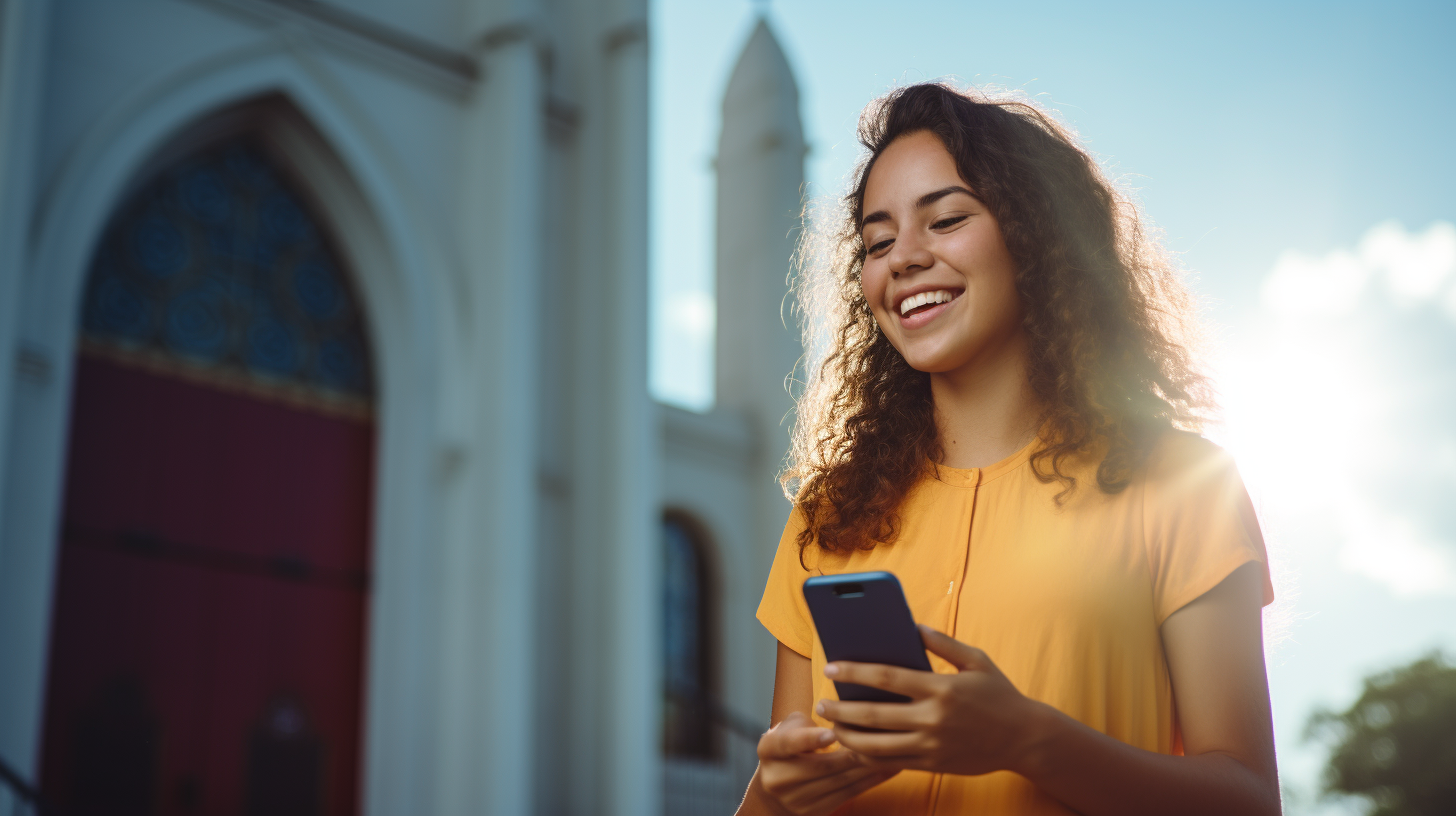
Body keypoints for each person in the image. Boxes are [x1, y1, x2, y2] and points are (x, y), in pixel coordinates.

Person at [739, 83, 1280, 816]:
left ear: (1039, 235)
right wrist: (773, 793)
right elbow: (786, 781)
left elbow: (1248, 801)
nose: (902, 259)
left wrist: (1028, 740)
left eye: (947, 219)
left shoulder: (1183, 484)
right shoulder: (828, 515)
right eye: (877, 241)